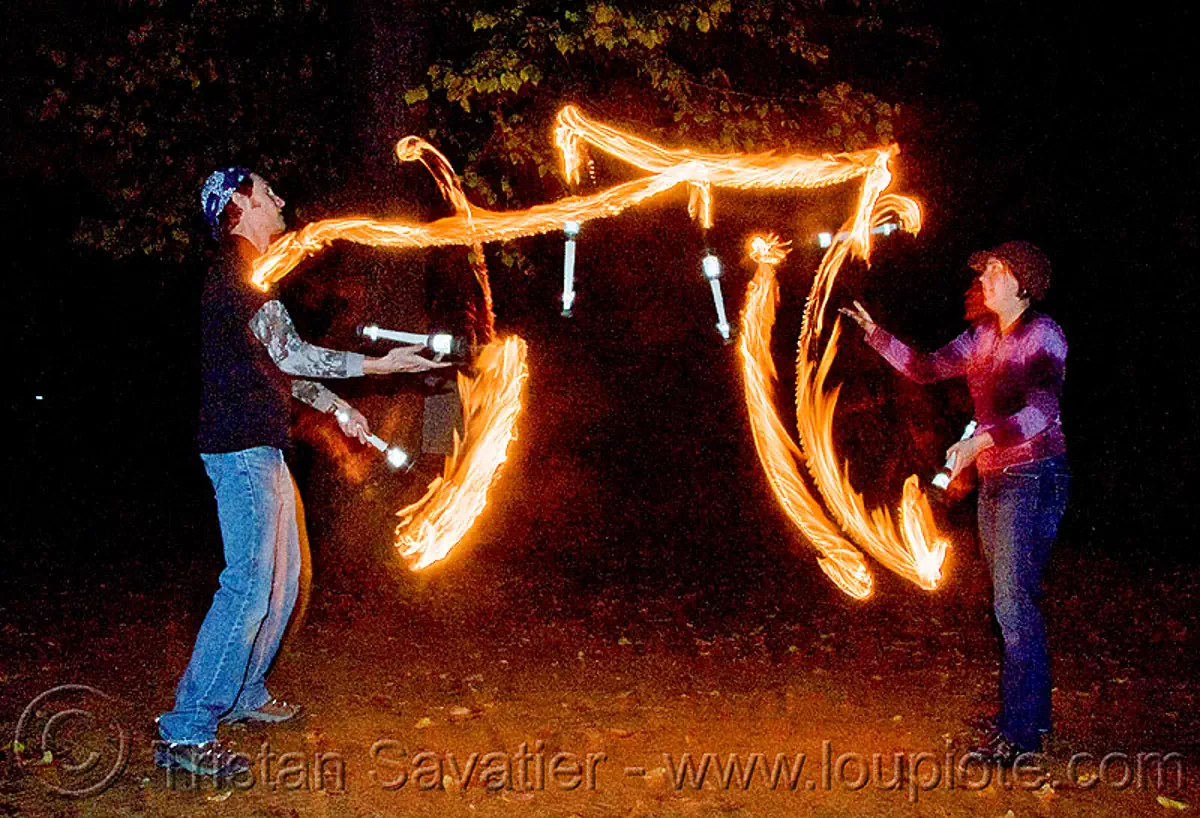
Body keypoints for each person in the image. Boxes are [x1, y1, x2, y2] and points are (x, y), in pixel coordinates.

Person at [156, 167, 448, 776]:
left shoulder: (252, 279)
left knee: (284, 584)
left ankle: (243, 694)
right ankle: (186, 730)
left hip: (262, 450)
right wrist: (377, 366)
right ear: (240, 205)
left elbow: (281, 369)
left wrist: (340, 409)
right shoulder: (237, 277)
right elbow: (292, 353)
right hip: (241, 454)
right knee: (248, 588)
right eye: (267, 192)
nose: (280, 198)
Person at [842, 241, 1069, 763]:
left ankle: (1021, 736)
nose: (984, 276)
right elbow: (924, 368)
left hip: (1035, 476)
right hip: (998, 479)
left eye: (996, 269)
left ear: (1023, 283)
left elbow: (1041, 412)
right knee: (1010, 602)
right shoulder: (983, 335)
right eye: (985, 268)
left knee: (1013, 603)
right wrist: (875, 334)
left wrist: (977, 444)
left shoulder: (1044, 336)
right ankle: (1024, 717)